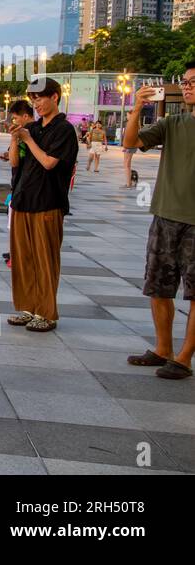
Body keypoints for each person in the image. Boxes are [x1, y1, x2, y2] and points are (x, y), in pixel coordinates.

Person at [123, 63, 195, 380]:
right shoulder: (173, 122)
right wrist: (137, 107)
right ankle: (163, 348)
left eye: (194, 82)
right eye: (186, 82)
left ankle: (184, 357)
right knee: (159, 287)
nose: (189, 86)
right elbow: (131, 141)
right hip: (165, 214)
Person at [7, 78, 78, 333]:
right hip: (23, 200)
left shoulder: (64, 130)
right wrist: (16, 139)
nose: (36, 103)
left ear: (55, 97)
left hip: (48, 202)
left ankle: (46, 313)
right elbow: (15, 163)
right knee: (23, 258)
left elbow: (49, 163)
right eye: (33, 99)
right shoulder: (32, 128)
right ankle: (28, 307)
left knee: (45, 259)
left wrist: (28, 139)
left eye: (40, 97)